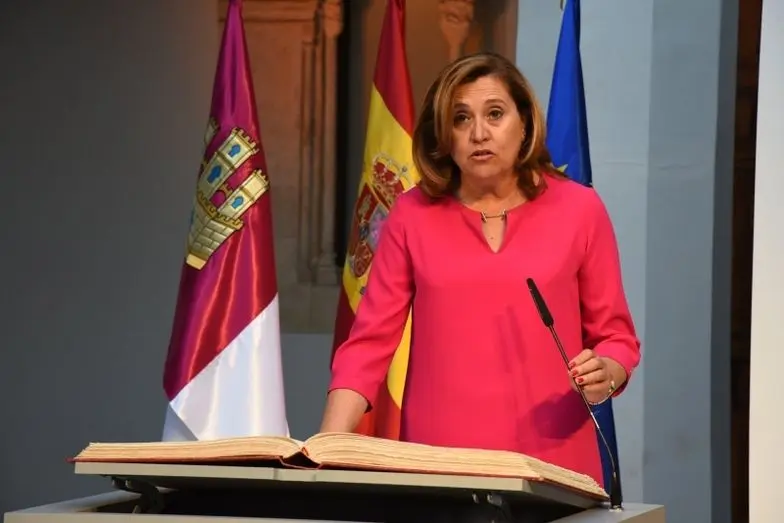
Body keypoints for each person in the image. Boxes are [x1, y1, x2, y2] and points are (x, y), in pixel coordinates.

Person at [321, 52, 641, 489]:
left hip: (554, 467)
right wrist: (326, 447)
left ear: (524, 123)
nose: (479, 133)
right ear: (444, 135)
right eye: (461, 118)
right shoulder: (411, 215)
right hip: (438, 467)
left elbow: (617, 338)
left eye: (495, 114)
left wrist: (607, 371)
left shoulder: (580, 210)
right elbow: (367, 348)